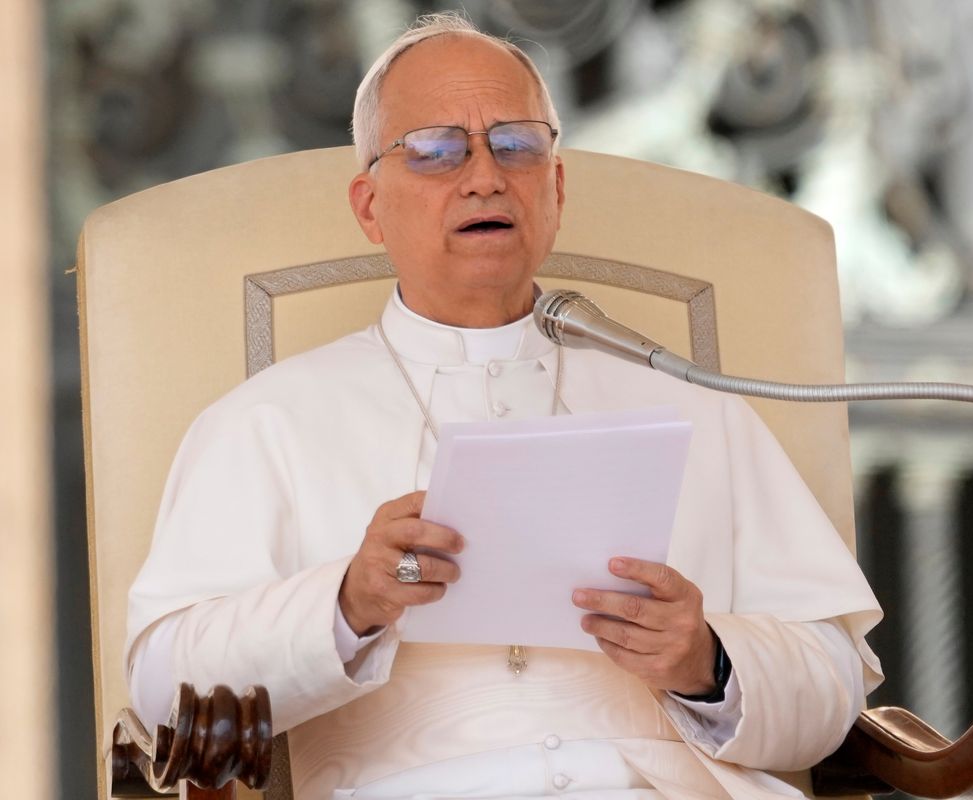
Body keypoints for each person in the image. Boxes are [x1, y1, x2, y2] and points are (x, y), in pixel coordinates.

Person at [126, 12, 883, 800]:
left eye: (516, 145)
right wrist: (348, 602)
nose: (485, 177)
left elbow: (833, 685)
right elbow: (162, 693)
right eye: (435, 150)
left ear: (556, 188)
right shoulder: (266, 423)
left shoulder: (693, 406)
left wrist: (708, 660)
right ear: (369, 206)